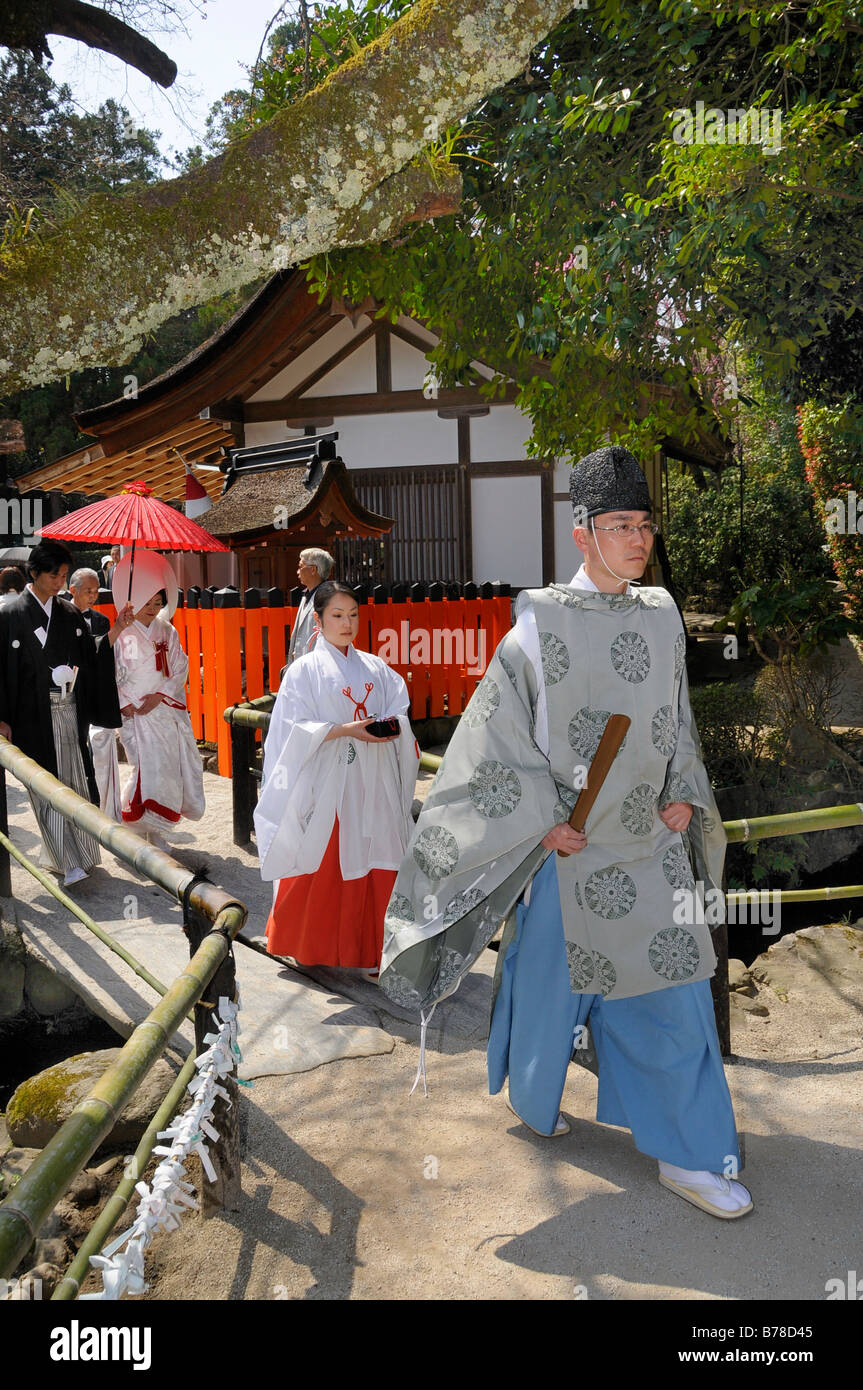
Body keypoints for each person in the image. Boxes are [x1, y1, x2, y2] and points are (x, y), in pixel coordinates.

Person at [378, 445, 752, 1221]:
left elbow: (675, 722)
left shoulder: (662, 616)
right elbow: (494, 745)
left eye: (644, 525)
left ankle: (691, 1154)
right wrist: (539, 821)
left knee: (675, 994)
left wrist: (682, 794)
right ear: (581, 533)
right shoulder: (533, 628)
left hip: (647, 846)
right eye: (619, 525)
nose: (637, 540)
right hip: (570, 850)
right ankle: (531, 1090)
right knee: (549, 989)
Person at [255, 580, 420, 972]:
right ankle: (309, 947)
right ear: (318, 619)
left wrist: (389, 725)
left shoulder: (374, 666)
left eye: (353, 615)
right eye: (337, 616)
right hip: (327, 779)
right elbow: (294, 729)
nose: (347, 624)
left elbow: (399, 706)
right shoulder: (303, 671)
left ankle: (372, 951)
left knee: (379, 854)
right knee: (323, 856)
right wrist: (345, 729)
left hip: (372, 778)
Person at [0, 539, 129, 886]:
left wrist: (116, 629)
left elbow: (90, 654)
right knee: (44, 786)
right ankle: (64, 859)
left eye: (64, 575)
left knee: (74, 782)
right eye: (55, 575)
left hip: (69, 711)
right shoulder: (9, 614)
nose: (60, 582)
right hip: (30, 714)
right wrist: (2, 717)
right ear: (35, 572)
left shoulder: (69, 613)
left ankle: (80, 853)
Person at [111, 551, 205, 846]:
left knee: (166, 769)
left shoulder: (168, 630)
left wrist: (162, 694)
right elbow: (111, 672)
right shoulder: (121, 634)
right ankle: (136, 824)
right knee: (142, 767)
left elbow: (181, 666)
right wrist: (124, 701)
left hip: (162, 708)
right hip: (134, 710)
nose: (153, 608)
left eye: (158, 602)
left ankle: (158, 829)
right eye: (147, 602)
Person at [67, 567, 128, 820]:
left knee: (99, 748)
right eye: (88, 591)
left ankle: (100, 800)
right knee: (74, 745)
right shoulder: (59, 617)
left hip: (95, 691)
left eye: (96, 591)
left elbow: (103, 658)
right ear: (72, 590)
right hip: (69, 693)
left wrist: (118, 627)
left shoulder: (101, 620)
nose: (93, 596)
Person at [286, 548, 334, 665]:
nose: (298, 571)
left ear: (313, 569)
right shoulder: (306, 595)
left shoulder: (329, 597)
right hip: (302, 666)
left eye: (300, 566)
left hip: (318, 666)